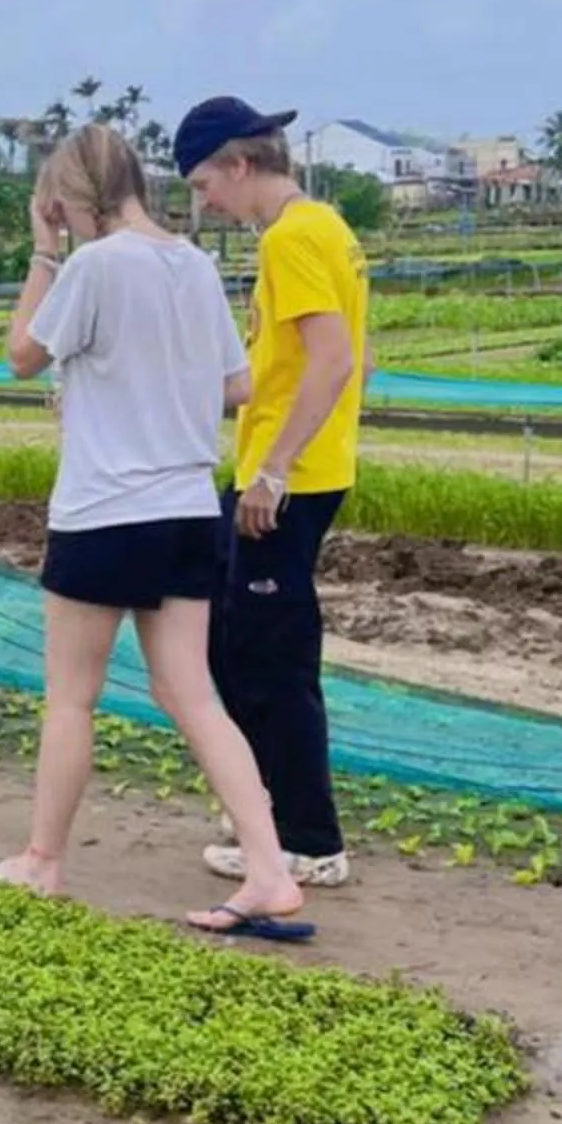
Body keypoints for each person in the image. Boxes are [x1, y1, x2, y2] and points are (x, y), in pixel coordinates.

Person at [0, 129, 312, 935]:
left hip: (104, 510)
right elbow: (237, 384)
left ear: (76, 194)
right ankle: (270, 866)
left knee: (72, 698)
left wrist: (44, 252)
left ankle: (42, 861)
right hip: (188, 506)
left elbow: (22, 354)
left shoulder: (95, 263)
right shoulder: (193, 262)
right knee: (192, 693)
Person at [176, 96, 367, 890]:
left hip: (287, 482)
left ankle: (309, 840)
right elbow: (309, 362)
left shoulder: (293, 238)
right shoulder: (323, 227)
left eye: (203, 183)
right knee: (231, 638)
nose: (202, 201)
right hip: (293, 469)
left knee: (272, 658)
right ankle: (263, 807)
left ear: (240, 164)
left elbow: (332, 360)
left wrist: (275, 469)